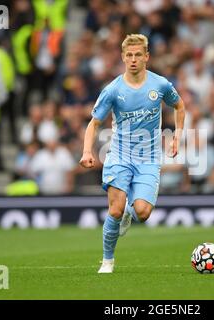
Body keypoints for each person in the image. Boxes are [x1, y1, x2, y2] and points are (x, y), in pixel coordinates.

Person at [79, 34, 185, 273]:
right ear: (123, 57)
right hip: (119, 156)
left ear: (147, 57)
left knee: (143, 212)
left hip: (148, 158)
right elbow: (94, 123)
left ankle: (130, 212)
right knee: (113, 210)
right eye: (129, 55)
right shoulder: (113, 90)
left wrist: (177, 136)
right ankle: (107, 261)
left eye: (138, 55)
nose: (134, 59)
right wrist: (87, 151)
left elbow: (179, 106)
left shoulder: (160, 85)